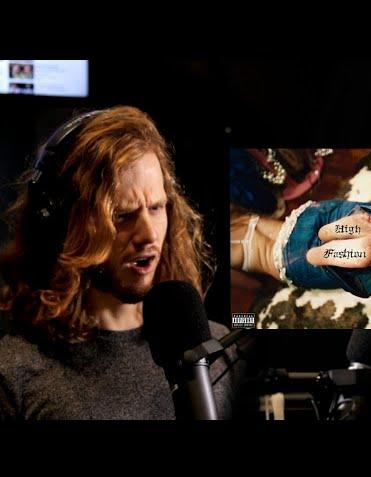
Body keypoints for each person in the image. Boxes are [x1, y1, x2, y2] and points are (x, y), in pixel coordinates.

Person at [0, 106, 237, 420]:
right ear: (65, 224)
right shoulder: (15, 371)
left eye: (156, 207)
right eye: (122, 215)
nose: (149, 235)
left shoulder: (223, 351)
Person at [231, 199, 371, 298]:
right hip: (303, 219)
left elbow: (253, 285)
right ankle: (337, 226)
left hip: (289, 259)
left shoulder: (216, 257)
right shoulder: (233, 210)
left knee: (359, 267)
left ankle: (323, 256)